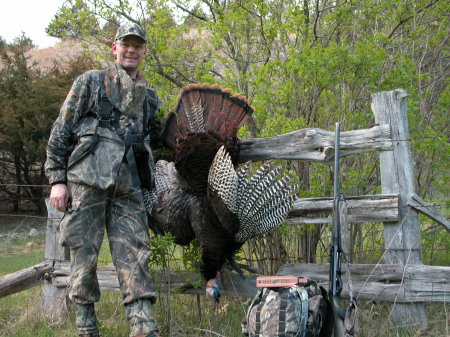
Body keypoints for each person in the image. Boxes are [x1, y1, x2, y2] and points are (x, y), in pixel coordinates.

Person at [45, 23, 162, 337]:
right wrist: (57, 179)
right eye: (126, 44)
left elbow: (158, 141)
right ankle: (86, 328)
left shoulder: (149, 98)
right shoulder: (91, 82)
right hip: (86, 182)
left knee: (135, 254)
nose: (131, 50)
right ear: (115, 48)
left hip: (129, 188)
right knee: (83, 254)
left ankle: (143, 327)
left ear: (145, 51)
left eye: (138, 46)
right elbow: (62, 131)